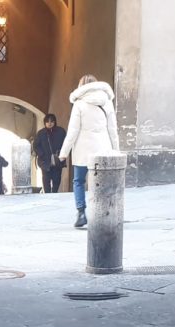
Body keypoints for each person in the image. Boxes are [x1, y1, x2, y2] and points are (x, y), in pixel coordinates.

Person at [59, 74, 119, 228]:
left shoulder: (79, 104)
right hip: (104, 148)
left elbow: (73, 131)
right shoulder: (107, 102)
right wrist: (116, 150)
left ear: (81, 86)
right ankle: (104, 213)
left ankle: (81, 213)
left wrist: (64, 153)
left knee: (79, 181)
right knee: (103, 181)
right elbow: (113, 129)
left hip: (83, 150)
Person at [32, 113, 67, 193]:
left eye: (52, 121)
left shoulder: (61, 131)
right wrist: (41, 154)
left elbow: (66, 144)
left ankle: (54, 194)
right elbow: (36, 145)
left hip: (58, 161)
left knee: (57, 180)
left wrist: (62, 154)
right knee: (46, 180)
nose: (49, 123)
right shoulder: (41, 133)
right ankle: (48, 195)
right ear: (45, 123)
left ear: (55, 122)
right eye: (47, 121)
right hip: (45, 161)